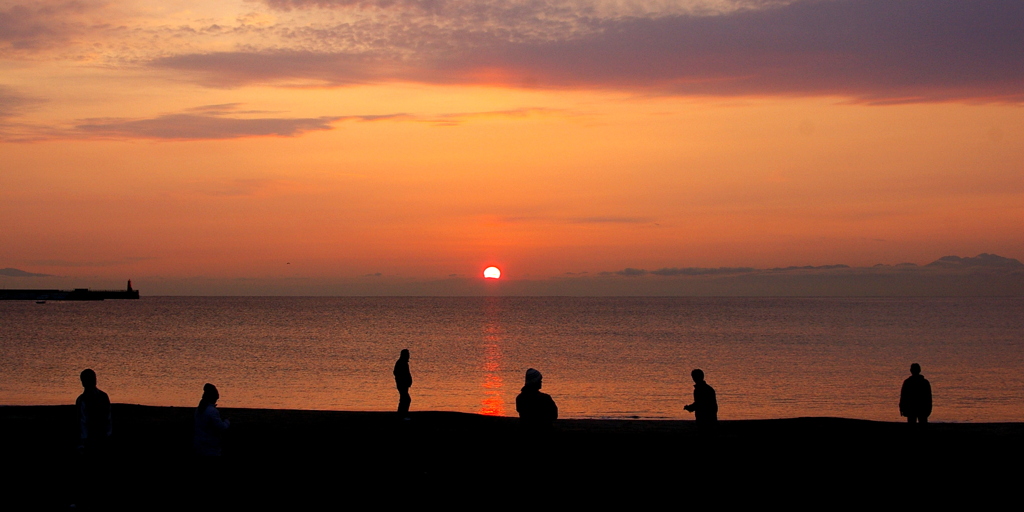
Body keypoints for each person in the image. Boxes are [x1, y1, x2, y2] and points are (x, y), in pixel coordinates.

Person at [76, 369, 112, 455]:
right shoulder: (102, 396)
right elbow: (82, 421)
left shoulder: (82, 399)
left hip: (97, 436)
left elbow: (82, 421)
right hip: (96, 437)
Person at [194, 383, 230, 456]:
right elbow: (221, 427)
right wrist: (227, 421)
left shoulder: (199, 409)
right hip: (210, 446)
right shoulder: (212, 411)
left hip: (198, 443)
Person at [394, 349, 412, 415]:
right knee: (406, 399)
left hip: (404, 384)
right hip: (402, 384)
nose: (408, 356)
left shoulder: (404, 363)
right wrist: (402, 381)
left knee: (404, 399)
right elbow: (396, 373)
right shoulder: (401, 363)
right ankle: (402, 413)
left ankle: (401, 413)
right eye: (407, 354)